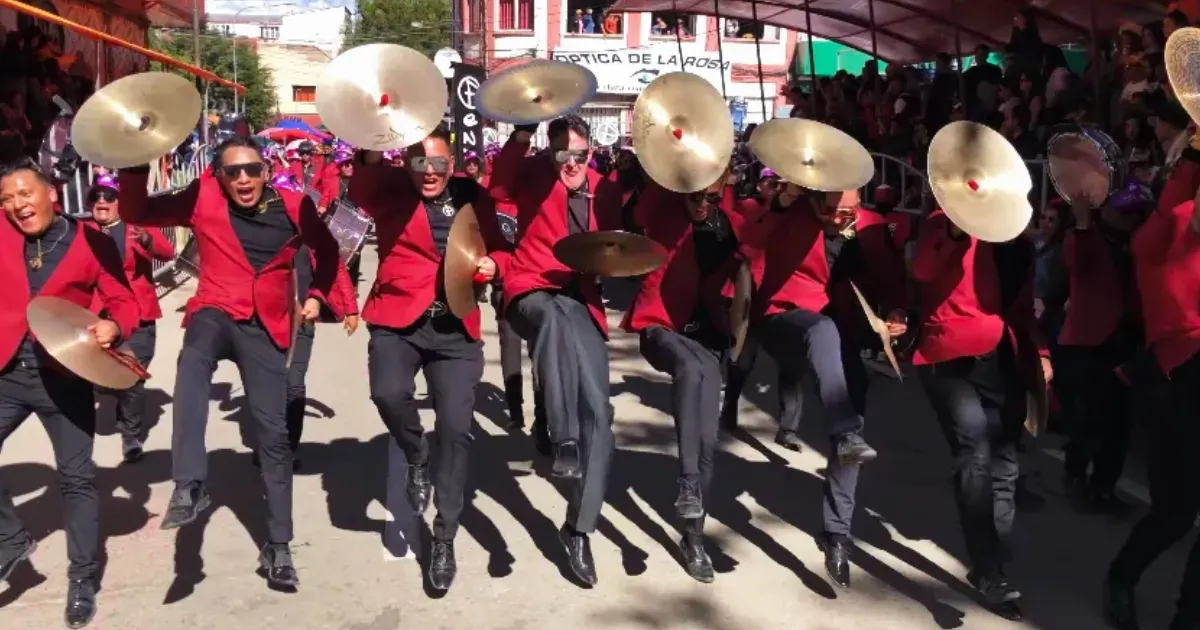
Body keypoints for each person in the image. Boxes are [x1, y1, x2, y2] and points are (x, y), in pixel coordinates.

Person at [116, 135, 350, 589]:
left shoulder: (295, 204)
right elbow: (137, 213)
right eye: (233, 172)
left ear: (265, 170)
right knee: (192, 364)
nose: (244, 179)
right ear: (219, 177)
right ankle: (189, 484)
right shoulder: (200, 194)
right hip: (215, 308)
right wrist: (131, 163)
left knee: (274, 437)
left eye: (252, 170)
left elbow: (329, 252)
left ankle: (279, 547)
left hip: (264, 324)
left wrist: (319, 295)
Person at [347, 124, 509, 592]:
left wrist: (495, 265)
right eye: (421, 162)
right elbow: (361, 185)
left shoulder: (473, 196)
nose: (430, 172)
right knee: (387, 392)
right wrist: (373, 139)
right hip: (400, 320)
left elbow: (501, 247)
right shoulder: (391, 188)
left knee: (457, 431)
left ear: (451, 165)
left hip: (455, 327)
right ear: (407, 164)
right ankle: (416, 454)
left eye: (438, 163)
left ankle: (444, 537)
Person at [736, 185, 899, 588]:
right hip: (785, 320)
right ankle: (842, 431)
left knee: (852, 430)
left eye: (852, 209)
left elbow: (891, 281)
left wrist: (896, 313)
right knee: (822, 331)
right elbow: (744, 243)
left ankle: (837, 534)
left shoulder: (871, 227)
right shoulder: (788, 215)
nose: (844, 217)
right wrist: (780, 203)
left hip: (843, 335)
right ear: (814, 200)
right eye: (834, 210)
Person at [0, 158, 138, 628]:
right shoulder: (2, 232)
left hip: (63, 376)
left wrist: (113, 324)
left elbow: (124, 300)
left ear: (52, 194)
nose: (17, 206)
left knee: (76, 480)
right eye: (7, 199)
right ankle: (11, 541)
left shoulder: (92, 242)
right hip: (7, 373)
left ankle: (82, 580)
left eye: (25, 194)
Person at [487, 115, 622, 586]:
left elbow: (624, 240)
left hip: (579, 298)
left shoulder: (605, 188)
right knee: (549, 321)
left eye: (579, 155)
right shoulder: (533, 175)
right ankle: (561, 437)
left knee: (601, 416)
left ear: (592, 154)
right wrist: (522, 134)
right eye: (562, 154)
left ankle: (577, 529)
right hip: (530, 289)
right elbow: (497, 187)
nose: (571, 163)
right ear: (550, 154)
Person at [910, 207, 1050, 621]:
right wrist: (955, 229)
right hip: (950, 356)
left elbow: (1022, 312)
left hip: (1001, 358)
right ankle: (990, 570)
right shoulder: (944, 222)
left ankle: (992, 551)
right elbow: (922, 271)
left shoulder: (1022, 247)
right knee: (973, 453)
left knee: (1005, 462)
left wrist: (1040, 353)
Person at [620, 173, 748, 583]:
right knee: (690, 370)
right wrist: (675, 178)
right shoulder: (662, 211)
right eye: (695, 194)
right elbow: (640, 210)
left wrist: (782, 201)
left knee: (706, 444)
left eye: (709, 195)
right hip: (661, 329)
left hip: (709, 339)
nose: (702, 202)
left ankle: (693, 538)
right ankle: (688, 485)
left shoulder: (727, 221)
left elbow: (758, 254)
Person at [1103, 142, 1200, 630]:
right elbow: (1172, 206)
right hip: (1174, 383)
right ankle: (1121, 578)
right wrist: (1195, 152)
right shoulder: (1160, 241)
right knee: (1175, 514)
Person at [86, 174, 175, 463]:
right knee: (99, 378)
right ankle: (113, 394)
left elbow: (168, 251)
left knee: (133, 377)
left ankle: (131, 434)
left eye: (109, 197)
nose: (102, 201)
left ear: (119, 202)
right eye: (96, 196)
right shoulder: (82, 231)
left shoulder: (136, 227)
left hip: (137, 314)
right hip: (99, 316)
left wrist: (148, 240)